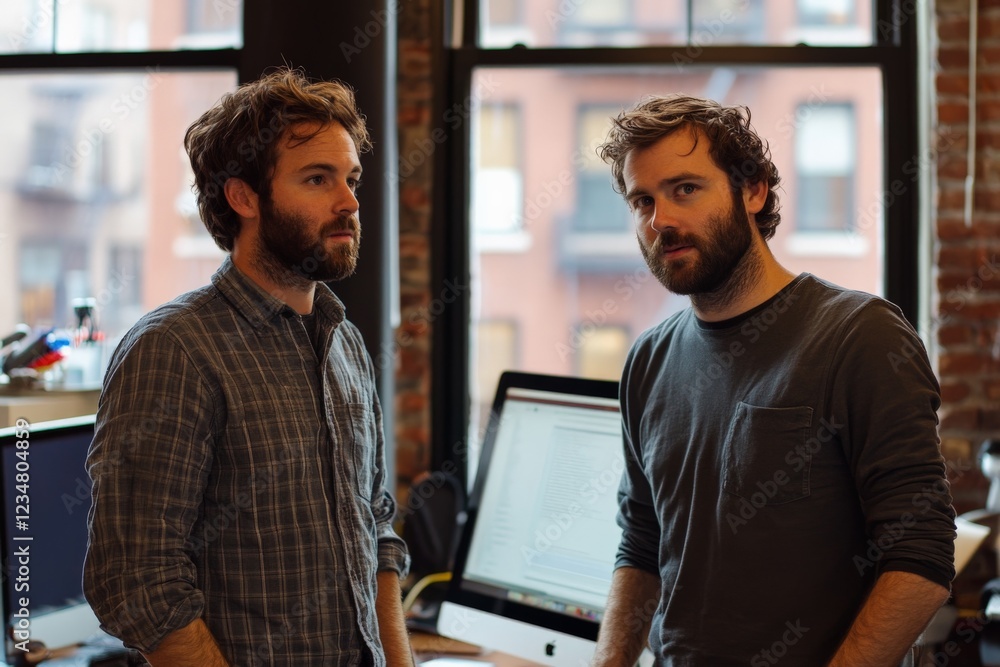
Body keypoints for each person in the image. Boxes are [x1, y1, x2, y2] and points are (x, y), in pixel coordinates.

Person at [591, 95, 956, 666]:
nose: (661, 221)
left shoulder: (859, 337)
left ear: (753, 190)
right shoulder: (648, 360)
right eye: (643, 200)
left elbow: (921, 557)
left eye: (685, 188)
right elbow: (641, 542)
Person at [84, 68, 413, 666]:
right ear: (244, 197)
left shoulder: (345, 344)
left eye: (352, 179)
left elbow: (378, 528)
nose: (349, 203)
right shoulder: (174, 350)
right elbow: (135, 580)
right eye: (318, 179)